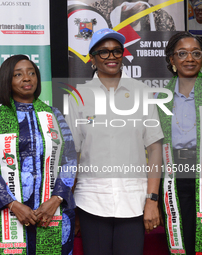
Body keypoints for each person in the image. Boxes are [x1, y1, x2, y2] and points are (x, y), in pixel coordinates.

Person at [65, 28, 164, 254]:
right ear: (92, 58)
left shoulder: (143, 93)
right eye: (104, 52)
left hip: (134, 201)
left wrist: (152, 200)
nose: (111, 56)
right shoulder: (77, 96)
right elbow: (72, 155)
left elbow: (155, 149)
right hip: (91, 200)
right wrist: (72, 208)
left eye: (116, 51)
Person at [0, 55, 76, 255]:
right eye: (18, 74)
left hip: (53, 212)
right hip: (8, 214)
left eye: (31, 73)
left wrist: (56, 199)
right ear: (6, 80)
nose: (27, 78)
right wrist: (13, 204)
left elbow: (69, 158)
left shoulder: (54, 115)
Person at [157, 31, 202, 255]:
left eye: (196, 53)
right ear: (172, 60)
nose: (190, 58)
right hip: (174, 179)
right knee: (182, 240)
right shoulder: (161, 99)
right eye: (182, 53)